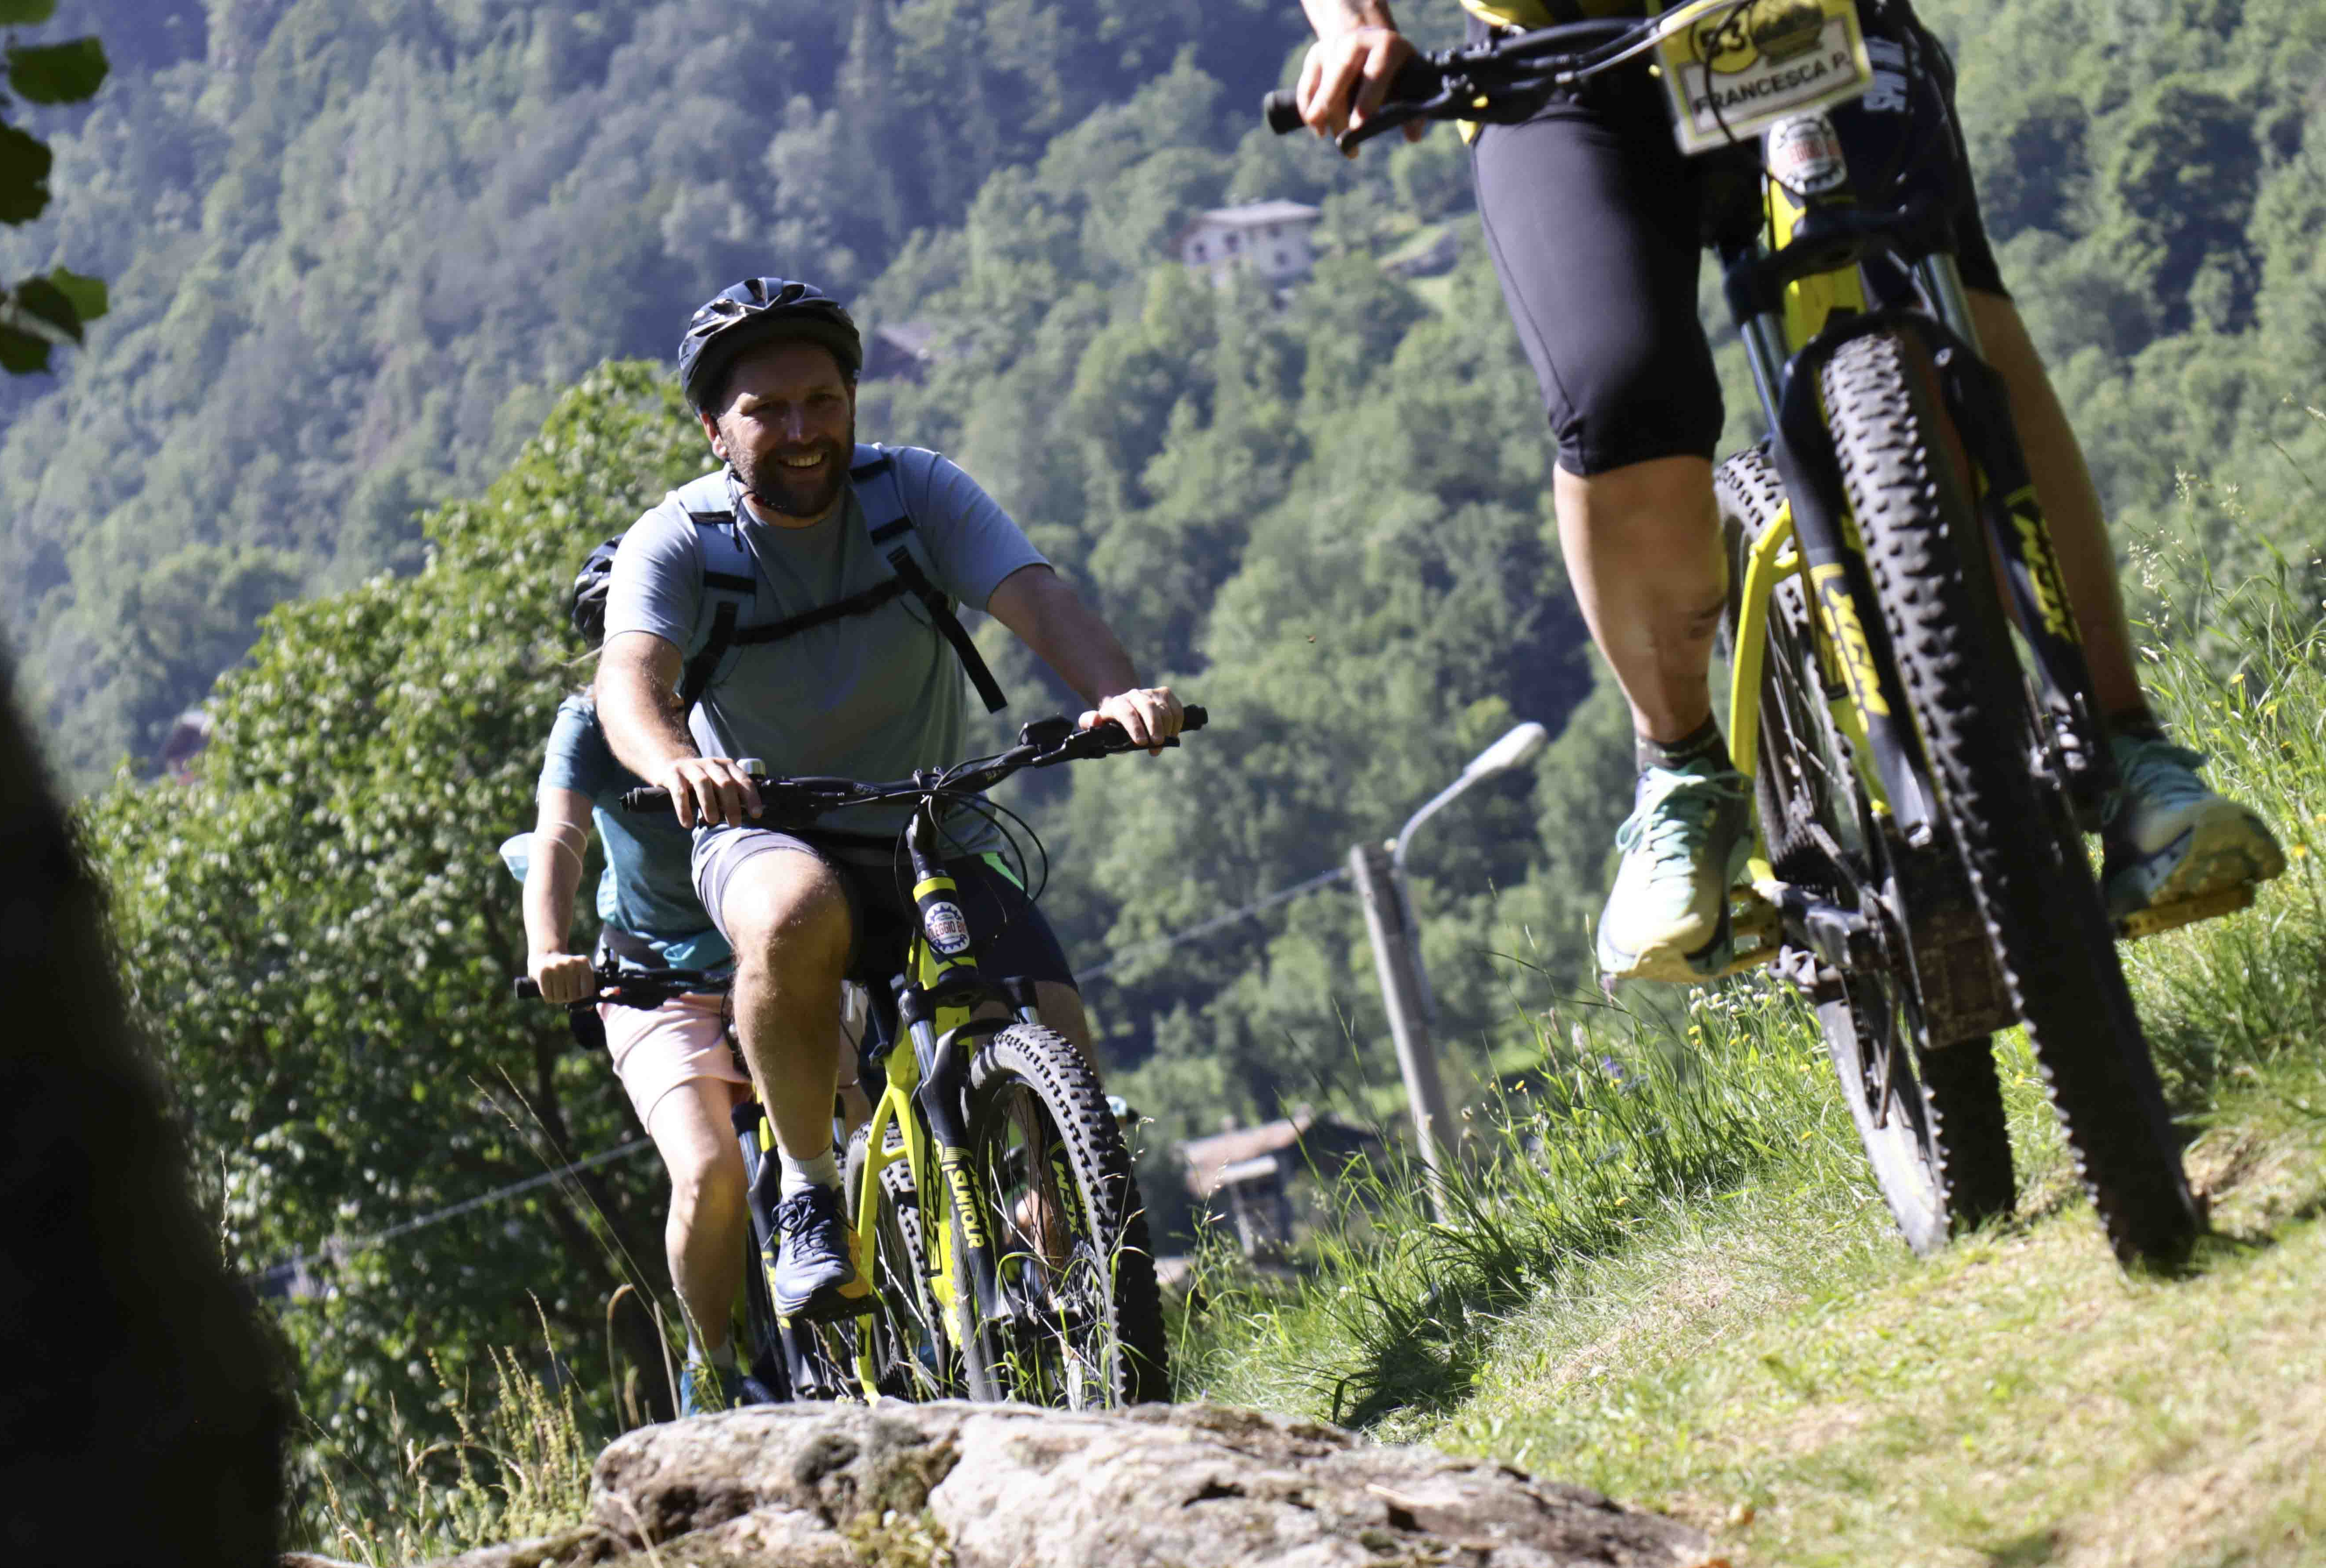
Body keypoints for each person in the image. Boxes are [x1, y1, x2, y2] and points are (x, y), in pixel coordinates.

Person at [1293, 0, 2285, 983]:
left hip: (1797, 10)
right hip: (1554, 53)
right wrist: (1353, 28)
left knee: (1939, 302)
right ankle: (1681, 774)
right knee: (1618, 394)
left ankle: (2122, 748)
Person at [594, 277, 1184, 1323]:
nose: (802, 431)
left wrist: (1116, 693)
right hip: (764, 832)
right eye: (767, 411)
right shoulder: (680, 540)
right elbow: (628, 682)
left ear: (854, 399)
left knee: (1056, 1031)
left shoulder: (916, 494)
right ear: (714, 430)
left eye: (822, 400)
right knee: (795, 912)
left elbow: (1037, 597)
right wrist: (679, 763)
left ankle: (1077, 1299)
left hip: (930, 823)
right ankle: (811, 1194)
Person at [519, 581, 754, 1416]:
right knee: (710, 1171)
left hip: (773, 954)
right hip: (657, 979)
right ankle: (713, 1369)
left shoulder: (742, 689)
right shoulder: (588, 725)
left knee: (866, 1146)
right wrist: (549, 950)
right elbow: (558, 837)